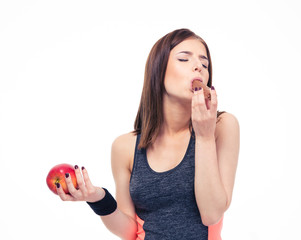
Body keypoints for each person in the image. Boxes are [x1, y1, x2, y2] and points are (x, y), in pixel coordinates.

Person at [56, 28, 240, 240]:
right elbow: (129, 231)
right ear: (158, 69)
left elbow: (211, 214)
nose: (198, 67)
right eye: (183, 59)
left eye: (204, 64)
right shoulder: (125, 146)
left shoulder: (221, 126)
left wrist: (204, 136)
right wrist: (97, 197)